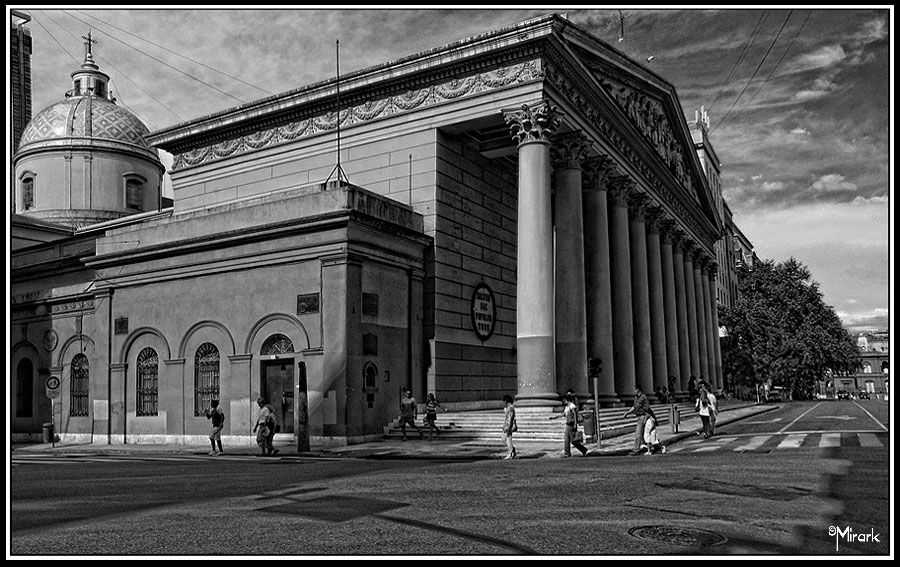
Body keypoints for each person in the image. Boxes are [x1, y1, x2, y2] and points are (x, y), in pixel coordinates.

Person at [551, 392, 588, 457]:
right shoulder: (567, 407)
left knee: (568, 439)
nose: (563, 401)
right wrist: (554, 417)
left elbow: (575, 414)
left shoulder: (572, 406)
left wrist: (575, 424)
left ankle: (567, 453)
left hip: (571, 424)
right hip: (568, 424)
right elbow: (563, 414)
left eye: (564, 400)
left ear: (567, 400)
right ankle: (583, 450)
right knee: (572, 440)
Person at [623, 384, 650, 455]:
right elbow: (634, 407)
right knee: (642, 434)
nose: (633, 391)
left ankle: (636, 449)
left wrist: (645, 416)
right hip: (639, 416)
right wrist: (627, 413)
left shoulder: (643, 397)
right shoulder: (636, 397)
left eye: (634, 389)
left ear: (638, 389)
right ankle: (647, 447)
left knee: (638, 433)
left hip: (643, 416)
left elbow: (647, 408)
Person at [501, 394, 517, 459]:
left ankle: (510, 453)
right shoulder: (507, 408)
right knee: (503, 439)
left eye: (504, 401)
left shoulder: (510, 408)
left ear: (506, 401)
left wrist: (509, 427)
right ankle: (513, 450)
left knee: (508, 440)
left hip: (508, 426)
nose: (503, 402)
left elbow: (510, 418)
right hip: (505, 425)